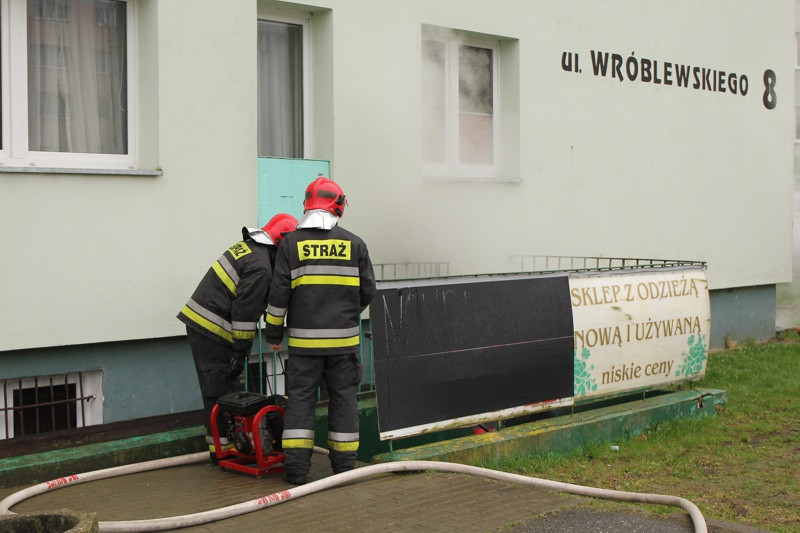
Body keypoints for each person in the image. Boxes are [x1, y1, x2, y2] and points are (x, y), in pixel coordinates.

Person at [264, 177, 377, 485]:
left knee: (300, 402)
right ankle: (343, 471)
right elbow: (368, 292)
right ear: (338, 205)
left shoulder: (290, 244)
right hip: (344, 346)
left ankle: (297, 473)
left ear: (307, 205)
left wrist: (273, 335)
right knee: (344, 401)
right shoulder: (355, 244)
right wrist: (347, 316)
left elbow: (278, 298)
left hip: (304, 348)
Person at [178, 213, 298, 463]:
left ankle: (229, 446)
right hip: (212, 328)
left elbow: (245, 298)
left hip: (206, 323)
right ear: (280, 244)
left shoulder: (252, 251)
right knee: (219, 391)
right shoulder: (262, 267)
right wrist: (241, 352)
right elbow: (245, 313)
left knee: (224, 389)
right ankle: (223, 453)